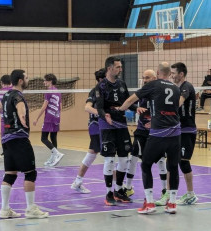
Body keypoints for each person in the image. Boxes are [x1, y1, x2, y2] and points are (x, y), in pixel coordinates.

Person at [119, 62, 181, 214]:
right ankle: (172, 203)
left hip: (159, 133)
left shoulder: (153, 85)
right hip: (175, 133)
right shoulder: (175, 88)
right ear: (169, 73)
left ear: (158, 73)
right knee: (173, 167)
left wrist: (120, 109)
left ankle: (150, 203)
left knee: (146, 164)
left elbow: (130, 100)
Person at [0, 69, 49, 219]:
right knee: (30, 173)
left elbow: (1, 107)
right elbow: (20, 106)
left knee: (10, 174)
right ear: (20, 81)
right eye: (26, 77)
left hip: (6, 139)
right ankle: (31, 209)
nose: (28, 80)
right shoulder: (18, 96)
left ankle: (4, 210)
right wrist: (22, 116)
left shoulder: (6, 94)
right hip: (19, 138)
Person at [95, 56, 135, 205]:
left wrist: (139, 109)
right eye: (118, 67)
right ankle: (108, 193)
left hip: (121, 124)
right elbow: (99, 107)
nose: (120, 69)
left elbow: (128, 102)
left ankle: (119, 190)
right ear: (110, 68)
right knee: (110, 159)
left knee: (124, 159)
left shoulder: (122, 84)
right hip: (107, 125)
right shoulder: (101, 86)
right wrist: (105, 115)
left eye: (120, 67)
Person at [125, 70, 168, 199]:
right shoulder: (142, 92)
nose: (145, 80)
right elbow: (129, 103)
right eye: (143, 78)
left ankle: (164, 190)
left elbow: (166, 111)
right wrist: (136, 108)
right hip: (141, 131)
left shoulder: (160, 93)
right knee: (133, 157)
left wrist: (154, 122)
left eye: (147, 78)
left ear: (154, 78)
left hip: (156, 131)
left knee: (161, 160)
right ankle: (128, 188)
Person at [70, 68, 106, 194]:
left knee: (92, 154)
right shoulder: (95, 91)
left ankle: (78, 181)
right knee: (108, 155)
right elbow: (87, 107)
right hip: (96, 126)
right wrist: (102, 114)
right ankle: (119, 185)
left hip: (101, 127)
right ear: (101, 79)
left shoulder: (107, 91)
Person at [170, 62, 198, 205]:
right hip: (178, 130)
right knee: (174, 161)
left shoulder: (186, 87)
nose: (171, 75)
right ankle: (171, 193)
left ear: (181, 74)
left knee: (184, 162)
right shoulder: (177, 88)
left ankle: (191, 194)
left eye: (173, 73)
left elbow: (178, 103)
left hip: (187, 130)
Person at [33, 73, 64, 167]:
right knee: (53, 138)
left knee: (43, 138)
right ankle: (54, 158)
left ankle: (57, 154)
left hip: (49, 118)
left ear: (50, 81)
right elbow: (60, 107)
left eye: (45, 80)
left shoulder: (48, 91)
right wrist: (57, 116)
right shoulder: (58, 92)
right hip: (56, 117)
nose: (44, 82)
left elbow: (44, 106)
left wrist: (37, 118)